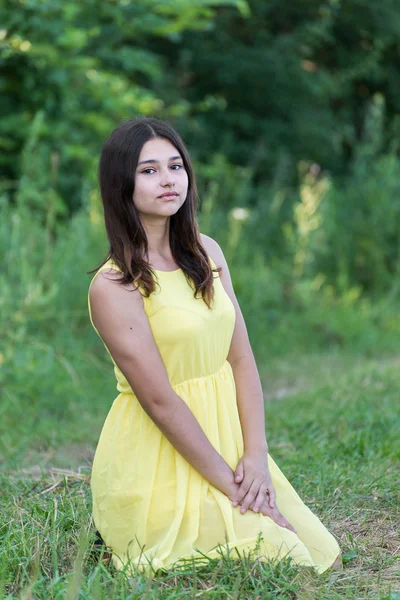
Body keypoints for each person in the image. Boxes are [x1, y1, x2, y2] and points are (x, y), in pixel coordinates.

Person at [87, 117, 341, 575]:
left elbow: (241, 359)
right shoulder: (114, 285)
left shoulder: (207, 252)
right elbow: (161, 402)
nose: (167, 180)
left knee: (310, 549)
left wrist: (256, 459)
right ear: (121, 184)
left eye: (175, 166)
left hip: (227, 439)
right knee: (274, 555)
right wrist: (232, 487)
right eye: (148, 170)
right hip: (157, 456)